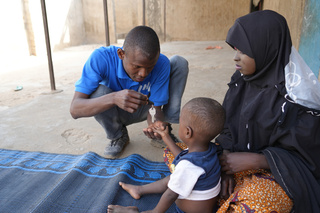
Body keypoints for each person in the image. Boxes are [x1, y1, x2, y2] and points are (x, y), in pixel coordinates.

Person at [214, 10, 320, 212]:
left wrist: (259, 160)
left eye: (243, 51)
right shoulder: (241, 82)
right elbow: (226, 129)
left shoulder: (296, 98)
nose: (235, 58)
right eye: (235, 50)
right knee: (190, 158)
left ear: (266, 48)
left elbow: (309, 160)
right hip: (237, 165)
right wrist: (225, 162)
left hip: (277, 175)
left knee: (255, 203)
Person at [70, 26, 189, 158]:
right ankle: (118, 135)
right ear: (121, 54)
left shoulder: (161, 63)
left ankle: (163, 132)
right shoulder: (101, 58)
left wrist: (155, 125)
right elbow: (75, 110)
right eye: (137, 66)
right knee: (99, 92)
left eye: (150, 67)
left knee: (179, 63)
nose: (143, 73)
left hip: (146, 107)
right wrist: (114, 98)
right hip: (114, 111)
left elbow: (155, 108)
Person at [107, 97, 225, 213]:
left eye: (181, 121)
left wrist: (155, 211)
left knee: (173, 181)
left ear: (187, 132)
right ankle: (139, 189)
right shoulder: (209, 149)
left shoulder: (188, 166)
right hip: (203, 203)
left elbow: (170, 195)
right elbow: (182, 158)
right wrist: (165, 136)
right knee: (172, 178)